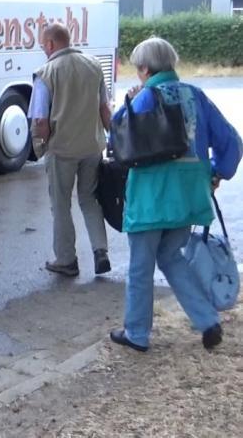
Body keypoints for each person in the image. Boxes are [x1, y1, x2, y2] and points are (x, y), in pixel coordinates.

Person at [109, 37, 242, 352]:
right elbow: (232, 142)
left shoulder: (147, 97)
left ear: (144, 69)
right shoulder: (196, 95)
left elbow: (117, 136)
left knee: (141, 266)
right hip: (190, 195)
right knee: (171, 256)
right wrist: (216, 172)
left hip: (151, 197)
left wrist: (125, 105)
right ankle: (207, 319)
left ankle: (137, 334)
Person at [29, 23, 112, 277]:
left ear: (51, 44)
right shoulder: (94, 65)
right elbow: (105, 109)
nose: (43, 49)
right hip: (91, 147)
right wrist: (113, 139)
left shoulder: (45, 73)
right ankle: (100, 252)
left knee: (61, 204)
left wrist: (42, 146)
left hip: (62, 150)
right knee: (89, 199)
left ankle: (66, 259)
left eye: (44, 44)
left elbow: (40, 121)